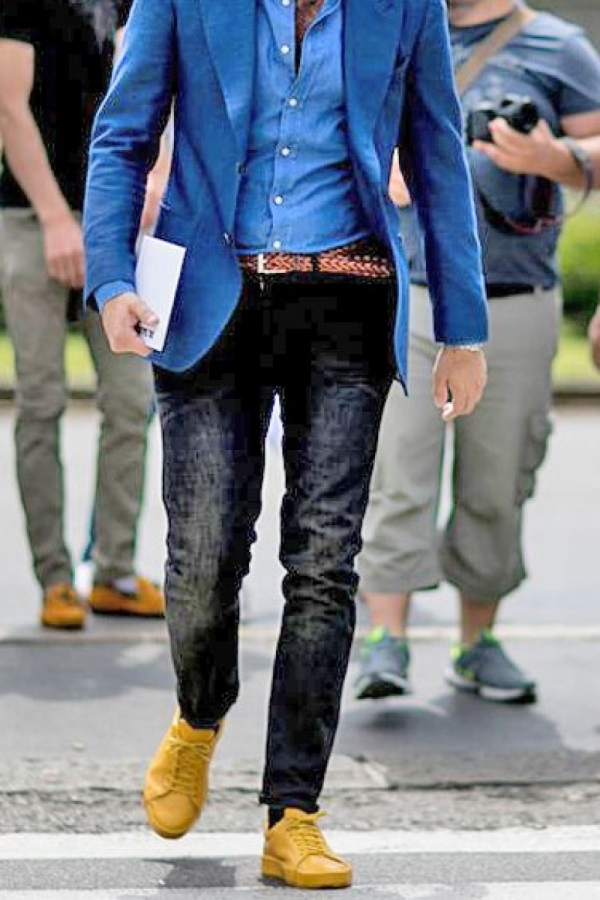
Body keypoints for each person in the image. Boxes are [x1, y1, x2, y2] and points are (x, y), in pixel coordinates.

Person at [83, 0, 488, 888]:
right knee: (202, 555)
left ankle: (293, 812)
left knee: (324, 564)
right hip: (209, 303)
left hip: (346, 303)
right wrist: (111, 277)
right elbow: (121, 137)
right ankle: (200, 714)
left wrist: (463, 329)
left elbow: (437, 153)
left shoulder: (406, 7)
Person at [355, 0, 600, 706]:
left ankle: (476, 644)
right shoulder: (389, 28)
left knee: (498, 480)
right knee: (395, 471)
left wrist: (555, 159)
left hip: (515, 298)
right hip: (407, 293)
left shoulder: (559, 46)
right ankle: (385, 639)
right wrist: (377, 161)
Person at [0, 0, 165, 629]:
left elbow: (148, 90)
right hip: (31, 217)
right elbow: (9, 105)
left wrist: (152, 180)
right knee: (40, 400)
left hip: (110, 220)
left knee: (131, 399)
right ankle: (56, 578)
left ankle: (115, 571)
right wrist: (54, 218)